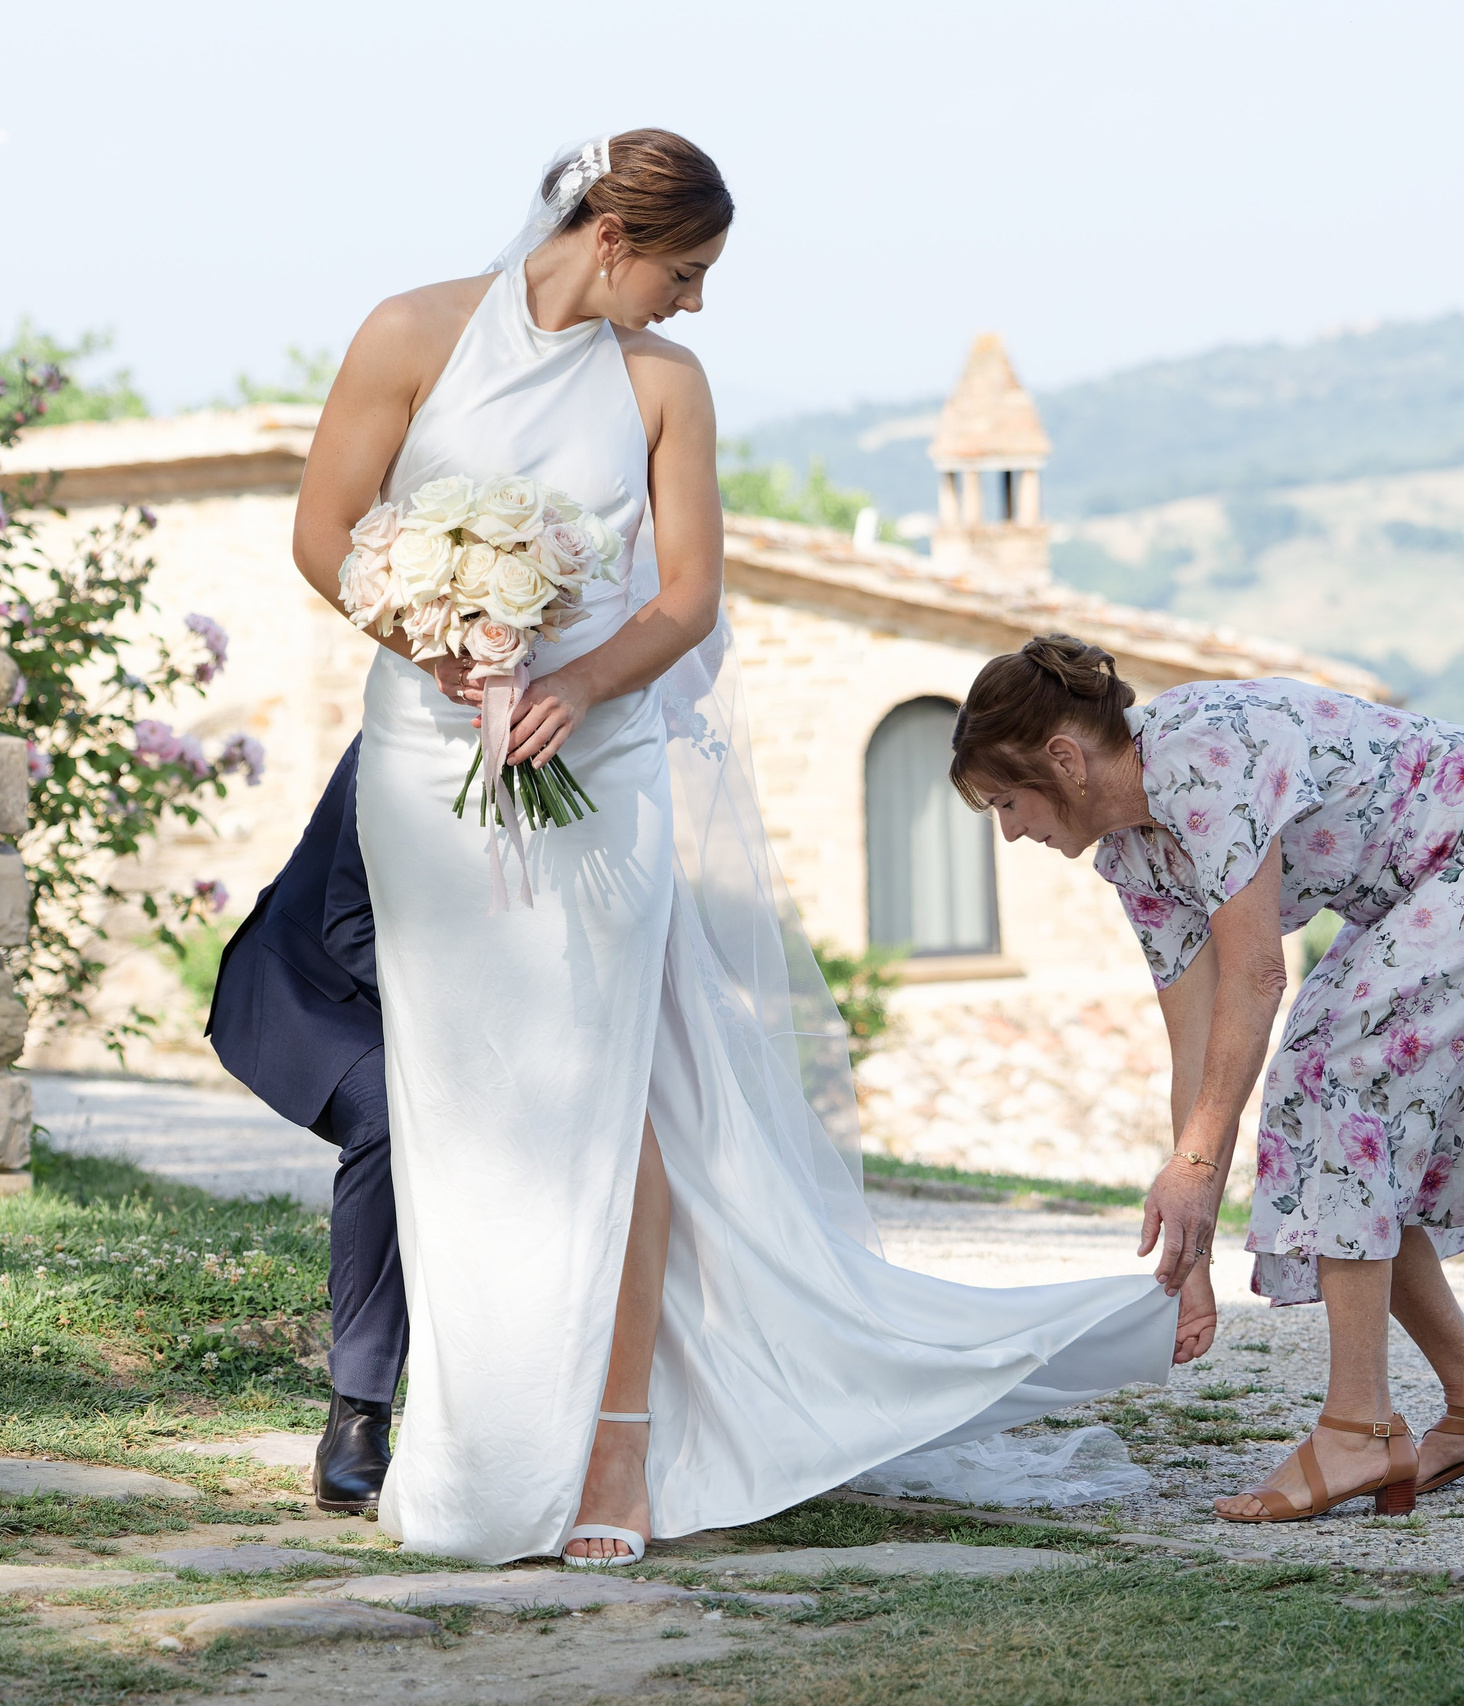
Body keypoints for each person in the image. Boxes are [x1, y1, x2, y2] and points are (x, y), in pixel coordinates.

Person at [289, 132, 1185, 1568]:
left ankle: (618, 1446)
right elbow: (326, 533)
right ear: (612, 233)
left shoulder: (664, 385)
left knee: (615, 1085)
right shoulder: (410, 334)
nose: (695, 304)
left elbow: (690, 597)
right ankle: (477, 1435)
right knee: (459, 1092)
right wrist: (441, 635)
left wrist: (577, 683)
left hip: (608, 760)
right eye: (686, 271)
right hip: (428, 763)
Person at [949, 636, 1464, 1522]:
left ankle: (1358, 1430)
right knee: (1348, 1124)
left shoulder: (1202, 758)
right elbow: (1200, 1045)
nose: (1011, 830)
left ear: (1064, 759)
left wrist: (1201, 1166)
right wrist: (1194, 1230)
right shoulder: (1135, 858)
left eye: (1007, 801)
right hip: (1430, 884)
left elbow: (1258, 976)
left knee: (1335, 1078)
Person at [205, 738, 404, 1515]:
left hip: (492, 997)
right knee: (398, 1113)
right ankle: (357, 1413)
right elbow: (350, 921)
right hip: (326, 982)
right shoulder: (406, 726)